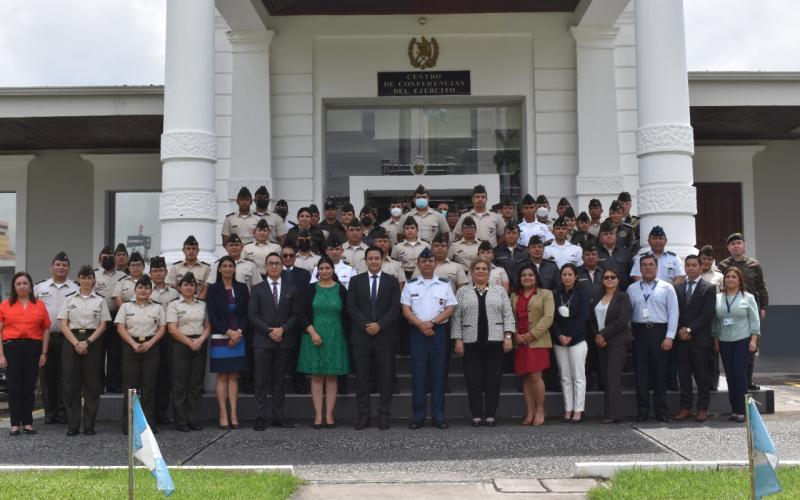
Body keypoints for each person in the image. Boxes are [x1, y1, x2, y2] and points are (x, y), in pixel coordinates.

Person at [451, 259, 515, 427]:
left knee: (493, 379)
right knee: (473, 380)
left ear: (489, 272)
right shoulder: (462, 292)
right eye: (477, 269)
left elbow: (508, 314)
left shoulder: (500, 290)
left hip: (495, 342)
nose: (481, 271)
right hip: (471, 342)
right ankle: (477, 414)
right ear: (471, 272)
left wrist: (508, 337)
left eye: (484, 269)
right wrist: (458, 339)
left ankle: (490, 414)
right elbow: (456, 317)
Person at [401, 248, 457, 430]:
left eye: (430, 261)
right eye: (423, 261)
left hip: (438, 332)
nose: (427, 264)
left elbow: (450, 308)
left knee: (438, 374)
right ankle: (418, 416)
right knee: (418, 375)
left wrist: (431, 323)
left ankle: (438, 416)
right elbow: (405, 309)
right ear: (418, 264)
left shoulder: (444, 284)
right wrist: (421, 325)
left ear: (435, 263)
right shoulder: (411, 284)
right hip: (418, 333)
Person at [347, 247, 402, 430]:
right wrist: (367, 325)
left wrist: (379, 325)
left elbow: (395, 308)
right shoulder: (355, 281)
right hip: (361, 337)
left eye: (377, 258)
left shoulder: (392, 281)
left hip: (384, 337)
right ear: (365, 260)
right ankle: (363, 416)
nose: (374, 261)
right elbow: (351, 307)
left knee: (385, 379)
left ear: (382, 259)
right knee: (362, 379)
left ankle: (383, 416)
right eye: (370, 258)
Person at [248, 252, 302, 430]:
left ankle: (279, 416)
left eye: (277, 263)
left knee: (279, 381)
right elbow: (253, 315)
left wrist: (283, 329)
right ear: (265, 267)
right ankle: (259, 416)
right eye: (270, 263)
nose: (274, 266)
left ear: (281, 266)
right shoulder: (257, 289)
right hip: (262, 341)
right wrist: (269, 330)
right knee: (261, 380)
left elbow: (295, 314)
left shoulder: (291, 289)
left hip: (284, 340)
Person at [57, 265, 111, 435]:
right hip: (71, 340)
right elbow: (63, 324)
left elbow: (103, 325)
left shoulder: (100, 300)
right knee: (71, 385)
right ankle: (72, 425)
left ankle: (89, 425)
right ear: (78, 279)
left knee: (92, 385)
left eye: (89, 277)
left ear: (94, 280)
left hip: (92, 341)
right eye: (83, 277)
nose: (86, 280)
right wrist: (76, 343)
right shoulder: (69, 299)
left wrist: (87, 342)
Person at [298, 256, 350, 429]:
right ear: (317, 271)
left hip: (335, 336)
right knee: (317, 375)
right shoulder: (310, 289)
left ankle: (329, 415)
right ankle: (318, 415)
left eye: (328, 268)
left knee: (332, 375)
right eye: (321, 268)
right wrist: (312, 332)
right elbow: (302, 313)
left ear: (332, 270)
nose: (324, 271)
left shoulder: (341, 289)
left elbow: (346, 314)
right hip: (314, 335)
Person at [627, 254, 679, 422]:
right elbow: (627, 315)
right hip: (639, 333)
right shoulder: (632, 288)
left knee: (660, 374)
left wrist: (670, 336)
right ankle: (642, 411)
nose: (648, 268)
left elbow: (673, 313)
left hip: (659, 333)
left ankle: (661, 411)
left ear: (657, 268)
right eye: (644, 265)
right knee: (641, 374)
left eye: (651, 265)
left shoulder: (667, 287)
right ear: (640, 268)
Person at [0, 272, 51, 435]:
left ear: (30, 286)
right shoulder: (5, 305)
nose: (22, 286)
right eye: (18, 283)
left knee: (29, 386)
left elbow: (46, 329)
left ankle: (28, 422)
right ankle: (15, 423)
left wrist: (44, 352)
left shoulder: (40, 305)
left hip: (33, 348)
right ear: (14, 287)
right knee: (14, 386)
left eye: (25, 283)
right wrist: (1, 355)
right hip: (12, 348)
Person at [115, 275, 166, 433]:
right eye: (140, 288)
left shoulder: (157, 307)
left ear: (151, 291)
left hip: (151, 347)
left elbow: (162, 328)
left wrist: (149, 344)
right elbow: (120, 327)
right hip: (131, 346)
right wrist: (134, 344)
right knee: (131, 387)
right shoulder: (126, 307)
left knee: (149, 386)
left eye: (146, 288)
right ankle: (129, 424)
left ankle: (148, 424)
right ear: (135, 290)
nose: (143, 291)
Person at [717, 233, 768, 391]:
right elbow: (719, 285)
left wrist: (763, 307)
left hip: (750, 308)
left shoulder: (754, 264)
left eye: (738, 243)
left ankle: (748, 380)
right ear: (728, 247)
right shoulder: (722, 266)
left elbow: (761, 286)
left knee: (751, 346)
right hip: (730, 310)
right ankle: (737, 381)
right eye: (732, 244)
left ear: (744, 245)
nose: (736, 246)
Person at [712, 267, 761, 422]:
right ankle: (734, 409)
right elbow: (715, 321)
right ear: (724, 280)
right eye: (728, 277)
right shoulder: (718, 298)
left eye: (734, 277)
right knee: (730, 376)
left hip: (742, 339)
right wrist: (716, 340)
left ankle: (742, 410)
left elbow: (754, 320)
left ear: (739, 280)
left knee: (739, 374)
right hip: (724, 341)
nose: (730, 279)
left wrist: (753, 340)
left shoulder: (748, 297)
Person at [34, 251, 78, 425]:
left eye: (64, 265)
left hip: (68, 338)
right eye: (58, 264)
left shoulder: (75, 287)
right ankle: (49, 412)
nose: (61, 267)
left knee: (66, 377)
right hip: (45, 338)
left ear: (69, 269)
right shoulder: (40, 287)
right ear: (51, 267)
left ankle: (63, 412)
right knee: (46, 377)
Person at [206, 255, 250, 430]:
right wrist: (228, 332)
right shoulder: (213, 289)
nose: (227, 269)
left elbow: (247, 313)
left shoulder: (241, 288)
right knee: (222, 376)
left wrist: (238, 332)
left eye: (230, 266)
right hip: (220, 336)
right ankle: (223, 413)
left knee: (233, 375)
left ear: (234, 268)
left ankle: (234, 413)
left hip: (238, 336)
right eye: (224, 266)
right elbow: (213, 315)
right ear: (219, 269)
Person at [672, 255, 716, 423]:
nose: (690, 268)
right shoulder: (678, 288)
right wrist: (679, 331)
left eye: (694, 265)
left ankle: (703, 408)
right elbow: (674, 312)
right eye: (688, 265)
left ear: (700, 267)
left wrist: (689, 329)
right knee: (684, 376)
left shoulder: (709, 288)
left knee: (702, 376)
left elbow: (707, 314)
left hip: (700, 340)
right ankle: (685, 408)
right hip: (682, 340)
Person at [511, 264, 554, 426]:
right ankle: (530, 411)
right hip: (520, 341)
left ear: (536, 277)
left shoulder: (546, 294)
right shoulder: (514, 295)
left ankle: (540, 409)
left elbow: (548, 317)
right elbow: (510, 316)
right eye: (524, 275)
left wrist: (531, 334)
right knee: (526, 377)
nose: (527, 277)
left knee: (536, 376)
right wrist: (515, 334)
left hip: (537, 340)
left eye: (530, 274)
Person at [166, 272, 210, 432]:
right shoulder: (174, 305)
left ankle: (193, 419)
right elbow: (172, 328)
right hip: (180, 345)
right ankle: (181, 420)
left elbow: (207, 326)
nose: (189, 287)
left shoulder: (202, 305)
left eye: (192, 285)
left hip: (199, 343)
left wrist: (200, 339)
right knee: (180, 383)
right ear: (179, 287)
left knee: (195, 383)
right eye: (186, 284)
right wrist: (189, 342)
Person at [589, 267, 633, 423]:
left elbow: (622, 321)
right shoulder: (597, 298)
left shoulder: (623, 297)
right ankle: (610, 411)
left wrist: (603, 335)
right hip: (601, 342)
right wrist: (597, 335)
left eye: (612, 277)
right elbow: (592, 320)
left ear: (618, 279)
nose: (609, 280)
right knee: (606, 377)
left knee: (613, 377)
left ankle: (615, 414)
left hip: (617, 342)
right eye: (606, 277)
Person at [550, 263, 590, 423]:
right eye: (564, 274)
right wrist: (559, 335)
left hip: (577, 340)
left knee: (578, 376)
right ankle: (568, 408)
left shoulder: (582, 293)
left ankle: (578, 410)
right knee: (565, 377)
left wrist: (571, 336)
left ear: (576, 276)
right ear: (561, 277)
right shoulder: (556, 293)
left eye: (570, 274)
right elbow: (551, 317)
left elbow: (584, 317)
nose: (567, 277)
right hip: (559, 341)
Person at [148, 256, 180, 426]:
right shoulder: (145, 290)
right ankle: (149, 413)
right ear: (150, 273)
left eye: (161, 270)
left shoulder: (174, 293)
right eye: (155, 271)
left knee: (165, 376)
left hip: (169, 336)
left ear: (166, 273)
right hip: (150, 336)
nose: (158, 273)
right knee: (150, 376)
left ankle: (162, 412)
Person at [280, 245, 312, 394]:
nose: (288, 258)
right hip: (278, 320)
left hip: (298, 320)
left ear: (295, 257)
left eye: (291, 255)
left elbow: (305, 297)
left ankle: (299, 386)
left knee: (297, 355)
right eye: (284, 255)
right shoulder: (275, 271)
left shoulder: (304, 274)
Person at [94, 246, 126, 393]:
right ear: (100, 258)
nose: (107, 258)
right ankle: (98, 385)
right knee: (98, 352)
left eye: (110, 256)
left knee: (115, 353)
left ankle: (113, 385)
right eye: (104, 256)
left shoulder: (123, 275)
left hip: (116, 316)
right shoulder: (93, 275)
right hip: (99, 318)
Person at [166, 235, 211, 300]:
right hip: (179, 304)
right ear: (183, 250)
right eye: (188, 248)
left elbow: (206, 289)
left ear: (198, 250)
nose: (191, 251)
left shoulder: (206, 268)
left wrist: (198, 302)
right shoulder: (175, 267)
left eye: (193, 248)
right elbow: (170, 287)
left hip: (199, 303)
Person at [597, 220, 633, 290]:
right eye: (605, 234)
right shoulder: (595, 254)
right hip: (601, 293)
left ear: (616, 235)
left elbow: (631, 276)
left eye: (611, 233)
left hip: (622, 293)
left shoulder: (625, 253)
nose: (609, 236)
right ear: (600, 237)